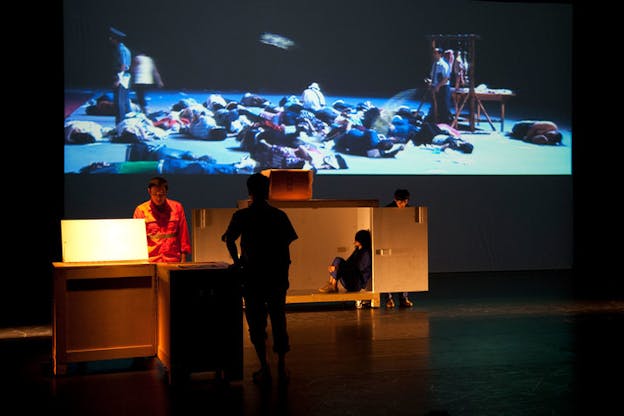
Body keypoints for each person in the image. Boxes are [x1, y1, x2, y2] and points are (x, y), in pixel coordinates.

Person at [221, 173, 298, 385]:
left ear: (249, 192)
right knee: (278, 318)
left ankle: (265, 367)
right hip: (276, 275)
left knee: (256, 322)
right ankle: (281, 366)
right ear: (268, 191)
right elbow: (287, 243)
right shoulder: (279, 215)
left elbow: (229, 239)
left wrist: (237, 261)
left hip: (252, 275)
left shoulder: (242, 216)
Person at [132, 176, 191, 263]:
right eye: (155, 194)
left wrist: (183, 258)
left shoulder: (177, 208)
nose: (158, 198)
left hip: (172, 259)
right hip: (151, 260)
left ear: (166, 192)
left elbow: (183, 235)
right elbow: (136, 239)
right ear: (149, 191)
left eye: (161, 194)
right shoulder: (141, 210)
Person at [318, 229, 373, 300]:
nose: (354, 242)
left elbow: (357, 269)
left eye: (357, 240)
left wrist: (337, 268)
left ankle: (333, 285)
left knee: (339, 261)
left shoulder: (366, 254)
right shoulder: (357, 251)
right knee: (338, 260)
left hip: (356, 283)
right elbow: (347, 263)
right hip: (351, 278)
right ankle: (331, 283)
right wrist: (334, 268)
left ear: (362, 240)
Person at [384, 189, 414, 309]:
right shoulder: (386, 211)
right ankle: (389, 299)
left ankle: (404, 298)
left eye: (405, 202)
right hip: (389, 244)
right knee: (387, 273)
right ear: (395, 200)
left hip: (404, 245)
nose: (403, 205)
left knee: (404, 272)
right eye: (400, 202)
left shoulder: (410, 211)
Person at [109, 27, 132, 125]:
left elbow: (123, 65)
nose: (110, 39)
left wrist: (118, 79)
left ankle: (120, 124)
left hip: (121, 77)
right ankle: (126, 123)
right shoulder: (126, 49)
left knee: (119, 102)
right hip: (126, 77)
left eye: (112, 38)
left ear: (115, 39)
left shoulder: (120, 49)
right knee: (124, 101)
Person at [425, 47, 452, 124]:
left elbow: (446, 78)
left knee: (444, 106)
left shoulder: (444, 65)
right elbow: (433, 76)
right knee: (435, 105)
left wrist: (438, 86)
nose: (434, 55)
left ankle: (445, 123)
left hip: (443, 87)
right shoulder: (435, 64)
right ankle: (435, 121)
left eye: (435, 53)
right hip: (435, 87)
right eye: (433, 53)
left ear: (440, 54)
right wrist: (430, 82)